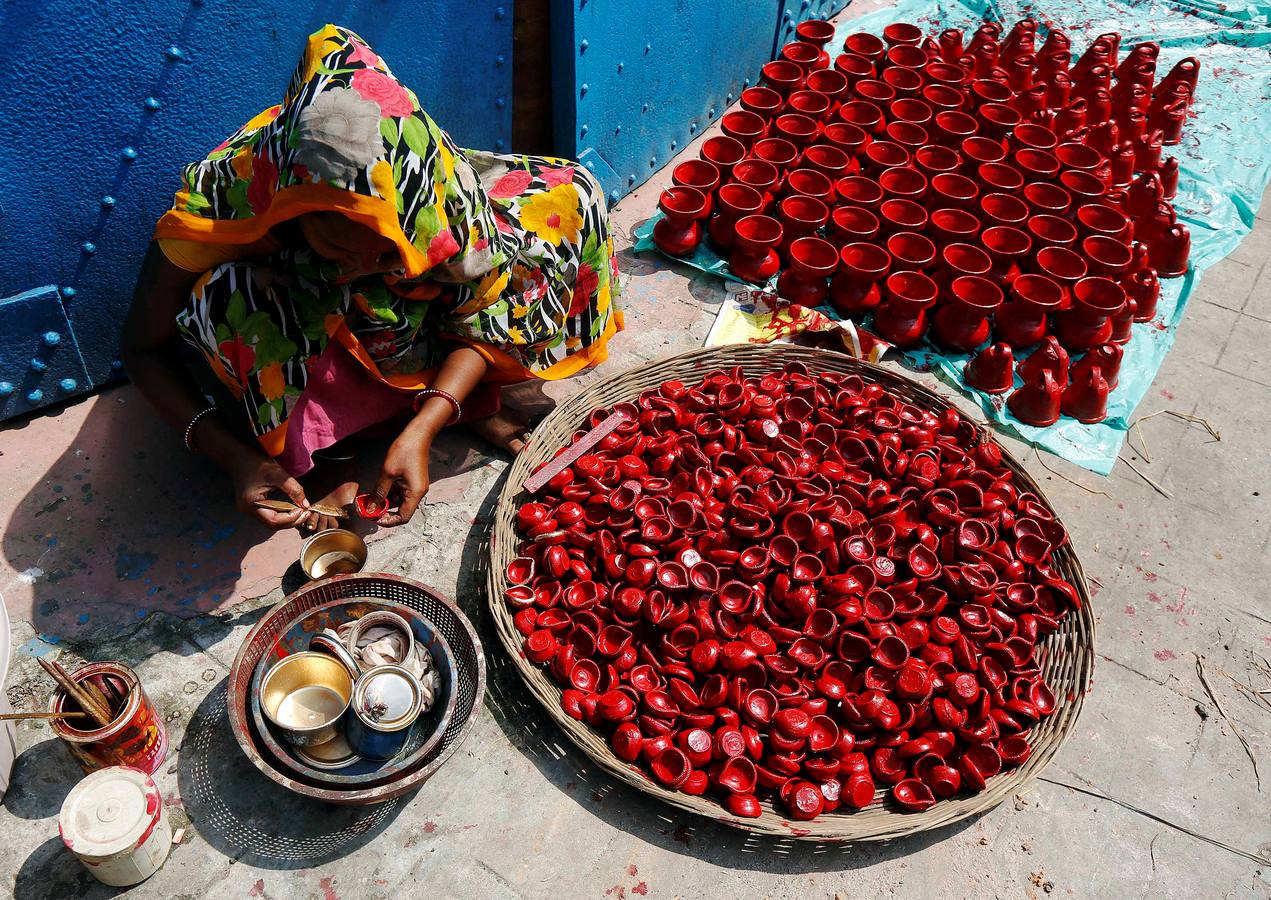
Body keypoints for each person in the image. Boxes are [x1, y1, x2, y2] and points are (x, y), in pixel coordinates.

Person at [122, 25, 622, 529]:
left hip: (416, 316)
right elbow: (143, 349)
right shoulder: (224, 200)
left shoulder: (435, 196)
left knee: (570, 201)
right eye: (340, 247)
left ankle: (463, 399)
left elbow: (481, 308)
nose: (365, 268)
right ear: (300, 213)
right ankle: (325, 450)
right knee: (223, 300)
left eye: (387, 255)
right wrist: (235, 459)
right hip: (316, 318)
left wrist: (430, 421)